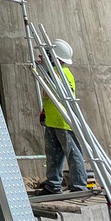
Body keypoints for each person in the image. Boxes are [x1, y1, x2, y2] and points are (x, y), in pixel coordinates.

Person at [40, 38, 88, 194]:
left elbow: (58, 87)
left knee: (73, 154)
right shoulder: (52, 72)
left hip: (63, 121)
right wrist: (44, 111)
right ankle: (53, 185)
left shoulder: (62, 73)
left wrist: (45, 66)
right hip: (52, 120)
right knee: (53, 156)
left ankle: (79, 186)